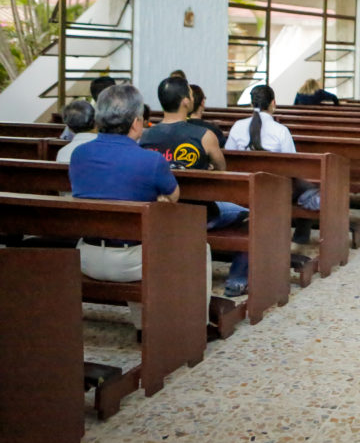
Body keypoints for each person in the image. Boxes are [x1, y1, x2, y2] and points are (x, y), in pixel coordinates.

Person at [69, 84, 211, 331]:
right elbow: (174, 198)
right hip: (130, 262)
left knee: (139, 236)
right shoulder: (150, 160)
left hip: (86, 255)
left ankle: (143, 327)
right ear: (136, 123)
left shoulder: (79, 154)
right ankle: (197, 327)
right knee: (201, 247)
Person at [140, 77, 248, 296]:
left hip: (159, 212)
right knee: (251, 215)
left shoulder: (144, 136)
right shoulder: (204, 136)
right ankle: (237, 278)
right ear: (186, 102)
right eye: (190, 93)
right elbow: (222, 173)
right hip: (201, 214)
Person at [224, 86, 322, 244]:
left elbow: (228, 157)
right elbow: (292, 165)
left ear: (251, 104)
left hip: (243, 187)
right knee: (310, 190)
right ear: (273, 103)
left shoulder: (238, 126)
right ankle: (300, 238)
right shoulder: (280, 130)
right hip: (275, 190)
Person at [59, 76, 118, 140]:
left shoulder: (82, 114)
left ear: (92, 94)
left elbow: (65, 139)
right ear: (114, 94)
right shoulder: (122, 117)